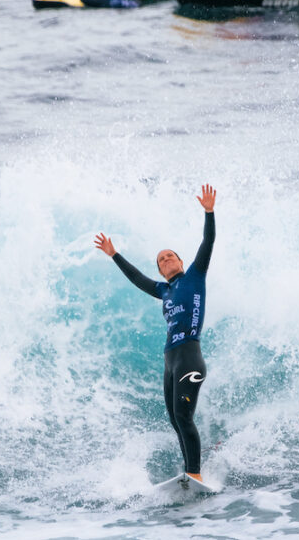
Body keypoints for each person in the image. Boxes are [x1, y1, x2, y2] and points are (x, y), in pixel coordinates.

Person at [94, 184, 217, 482]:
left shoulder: (195, 275)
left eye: (170, 256)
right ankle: (190, 471)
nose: (166, 260)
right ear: (161, 272)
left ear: (181, 262)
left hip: (189, 357)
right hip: (169, 362)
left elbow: (208, 241)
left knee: (184, 417)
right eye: (161, 260)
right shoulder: (163, 290)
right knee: (176, 420)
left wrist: (209, 212)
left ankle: (195, 474)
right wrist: (114, 255)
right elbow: (137, 277)